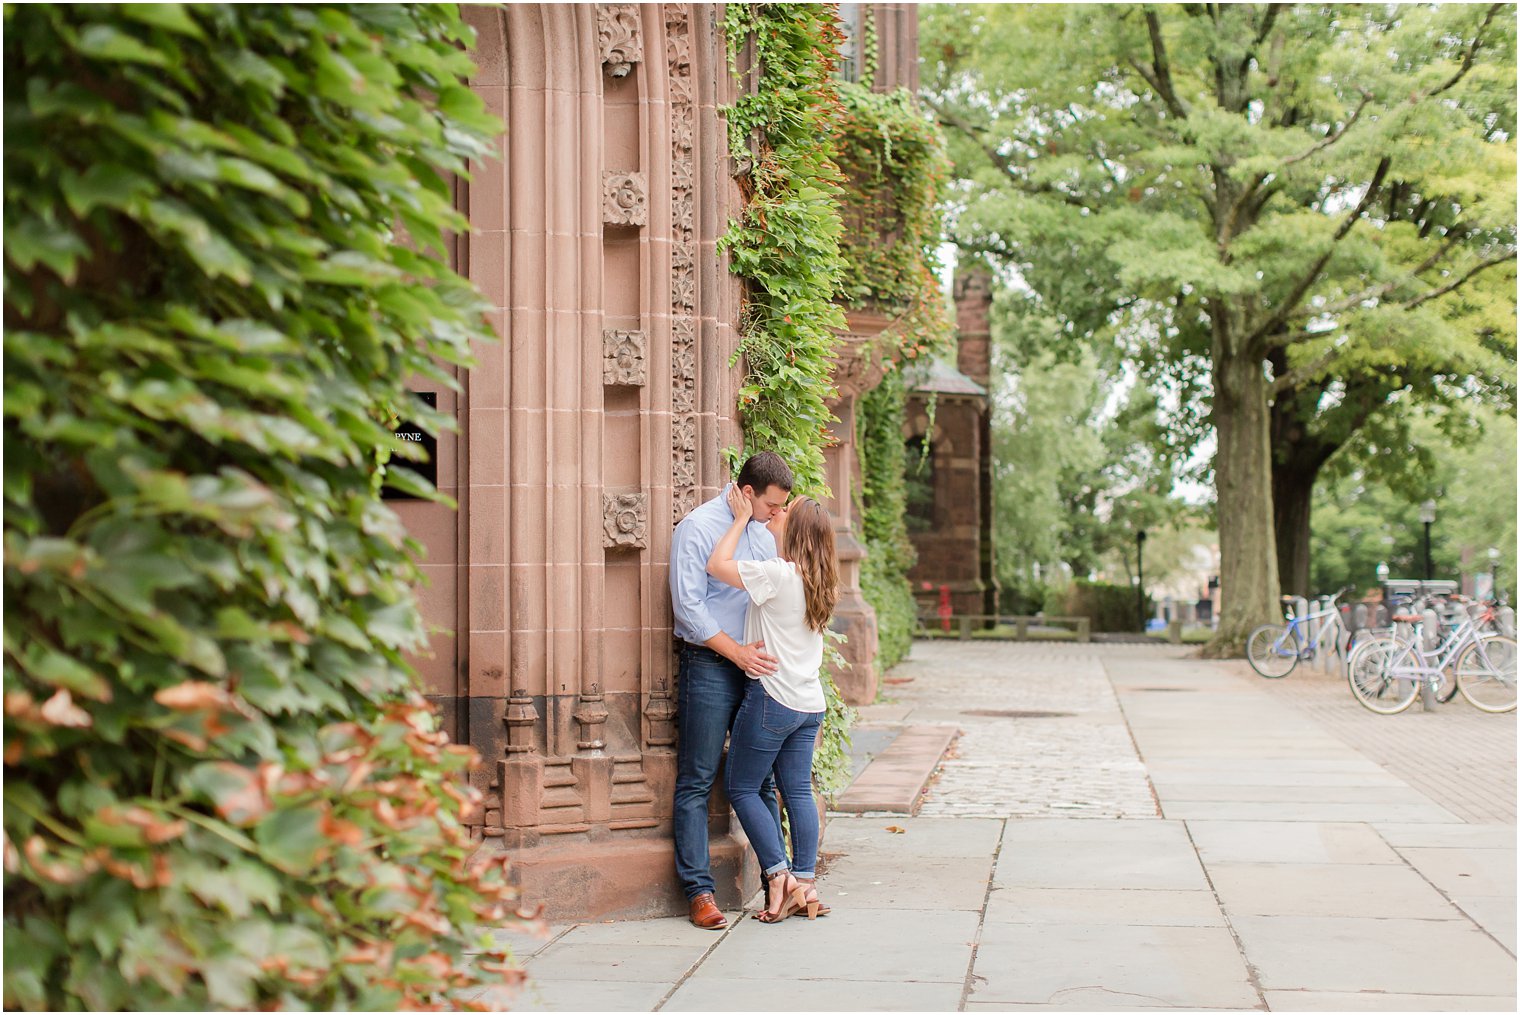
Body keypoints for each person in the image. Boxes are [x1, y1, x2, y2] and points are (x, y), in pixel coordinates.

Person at [669, 452, 792, 929]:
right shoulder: (697, 528)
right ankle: (699, 892)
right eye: (770, 505)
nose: (775, 514)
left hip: (757, 665)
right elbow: (688, 609)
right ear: (746, 494)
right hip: (711, 665)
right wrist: (736, 653)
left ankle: (778, 881)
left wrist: (776, 531)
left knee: (762, 779)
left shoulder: (764, 531)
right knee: (697, 777)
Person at [706, 486, 838, 923]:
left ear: (795, 528)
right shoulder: (820, 581)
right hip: (808, 703)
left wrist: (742, 519)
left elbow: (715, 566)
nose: (779, 511)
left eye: (789, 510)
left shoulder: (779, 575)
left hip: (772, 698)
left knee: (742, 787)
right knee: (798, 789)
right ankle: (806, 883)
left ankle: (778, 876)